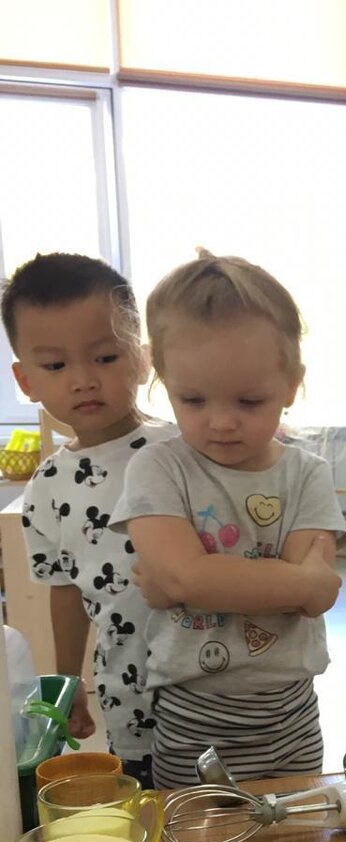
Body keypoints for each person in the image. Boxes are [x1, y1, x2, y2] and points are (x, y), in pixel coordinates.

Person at [111, 251, 346, 787]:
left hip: (292, 713)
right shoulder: (156, 467)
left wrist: (195, 581)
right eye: (193, 400)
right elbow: (188, 578)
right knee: (195, 834)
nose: (221, 422)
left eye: (249, 400)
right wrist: (303, 581)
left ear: (292, 384)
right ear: (162, 380)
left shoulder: (307, 473)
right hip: (193, 715)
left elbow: (308, 599)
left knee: (295, 830)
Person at [1, 252, 176, 787]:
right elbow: (65, 591)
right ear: (25, 380)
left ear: (142, 358)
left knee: (228, 807)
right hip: (126, 692)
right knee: (148, 807)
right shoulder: (45, 489)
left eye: (104, 357)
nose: (83, 380)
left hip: (213, 684)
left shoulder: (183, 451)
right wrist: (67, 679)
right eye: (55, 366)